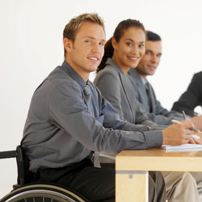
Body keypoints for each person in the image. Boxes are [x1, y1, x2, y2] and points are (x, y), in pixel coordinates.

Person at [21, 13, 197, 202]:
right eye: (88, 41)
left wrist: (168, 134)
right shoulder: (60, 88)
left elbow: (118, 124)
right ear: (68, 44)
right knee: (142, 185)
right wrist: (162, 136)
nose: (97, 49)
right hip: (55, 176)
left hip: (80, 168)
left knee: (154, 179)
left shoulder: (89, 88)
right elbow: (99, 138)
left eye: (100, 42)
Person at [94, 20, 201, 202]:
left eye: (140, 46)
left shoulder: (124, 78)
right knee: (183, 180)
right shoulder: (109, 76)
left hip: (131, 154)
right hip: (117, 158)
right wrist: (165, 135)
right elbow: (114, 127)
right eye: (129, 44)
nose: (136, 51)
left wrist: (173, 133)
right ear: (115, 43)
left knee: (189, 177)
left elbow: (141, 118)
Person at [128, 31, 183, 125]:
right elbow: (140, 118)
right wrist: (181, 123)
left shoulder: (147, 85)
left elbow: (162, 112)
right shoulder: (126, 81)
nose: (154, 60)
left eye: (158, 55)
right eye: (149, 53)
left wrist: (188, 120)